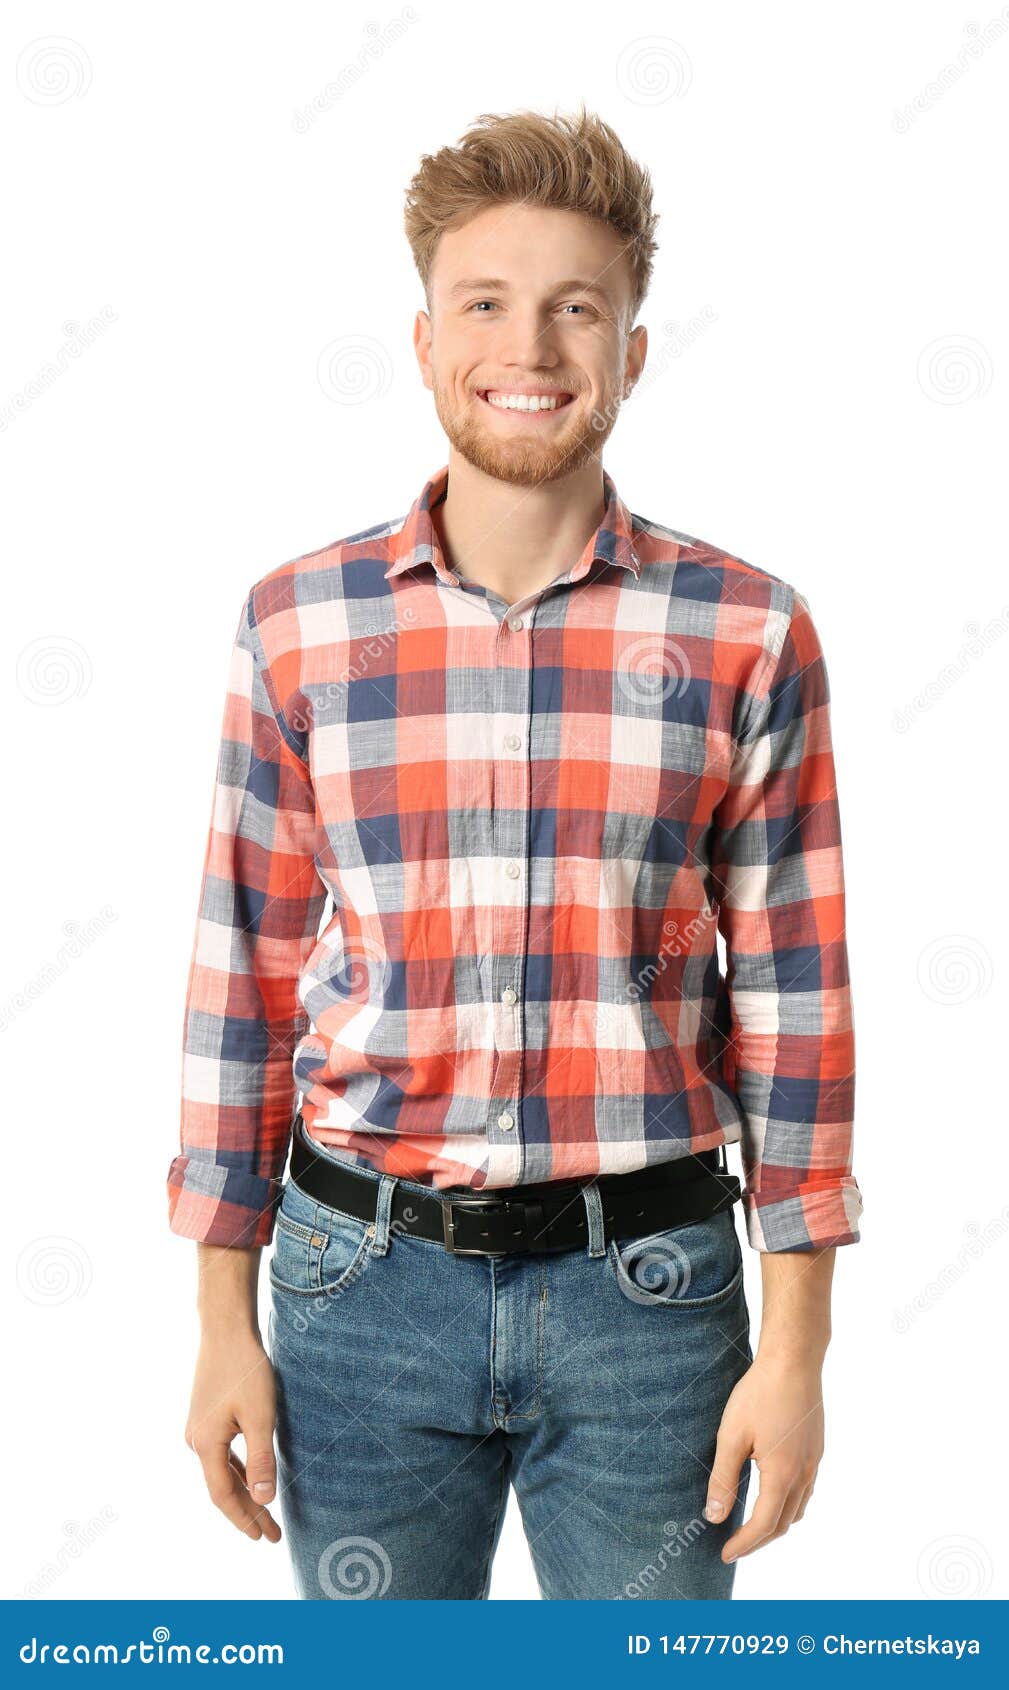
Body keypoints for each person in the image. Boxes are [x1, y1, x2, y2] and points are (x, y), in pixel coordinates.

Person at [167, 105, 862, 1601]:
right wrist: (223, 1317)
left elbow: (796, 1003)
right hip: (356, 1290)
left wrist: (795, 1350)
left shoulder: (745, 630)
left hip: (653, 1301)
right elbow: (242, 974)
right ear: (423, 342)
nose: (528, 347)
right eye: (484, 304)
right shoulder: (297, 625)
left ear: (629, 348)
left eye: (574, 308)